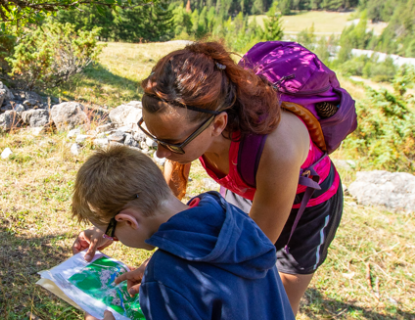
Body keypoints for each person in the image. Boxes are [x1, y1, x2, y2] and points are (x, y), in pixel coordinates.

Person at [73, 41, 344, 315]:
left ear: (218, 125)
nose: (161, 152)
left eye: (171, 143)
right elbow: (160, 195)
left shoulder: (277, 149)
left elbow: (249, 249)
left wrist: (165, 270)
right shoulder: (191, 124)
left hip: (306, 206)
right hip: (244, 187)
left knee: (275, 295)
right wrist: (110, 224)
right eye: (155, 138)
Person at [72, 146, 295, 320]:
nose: (115, 239)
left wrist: (165, 275)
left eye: (112, 233)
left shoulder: (166, 277)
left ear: (128, 221)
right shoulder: (228, 215)